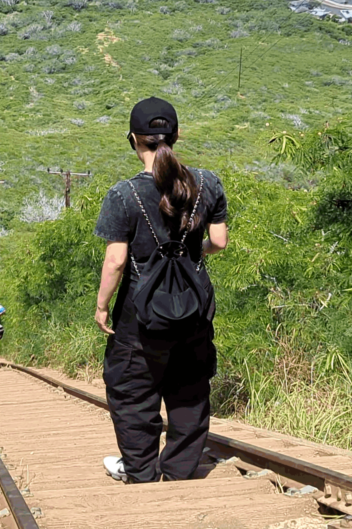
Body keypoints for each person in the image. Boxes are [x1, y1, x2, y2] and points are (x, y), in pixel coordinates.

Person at [94, 97, 228, 484]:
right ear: (176, 134)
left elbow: (116, 261)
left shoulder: (123, 194)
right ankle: (181, 472)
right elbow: (218, 242)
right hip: (194, 308)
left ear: (133, 139)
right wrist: (186, 254)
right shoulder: (207, 183)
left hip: (140, 315)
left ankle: (141, 473)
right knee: (190, 389)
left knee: (133, 392)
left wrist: (102, 307)